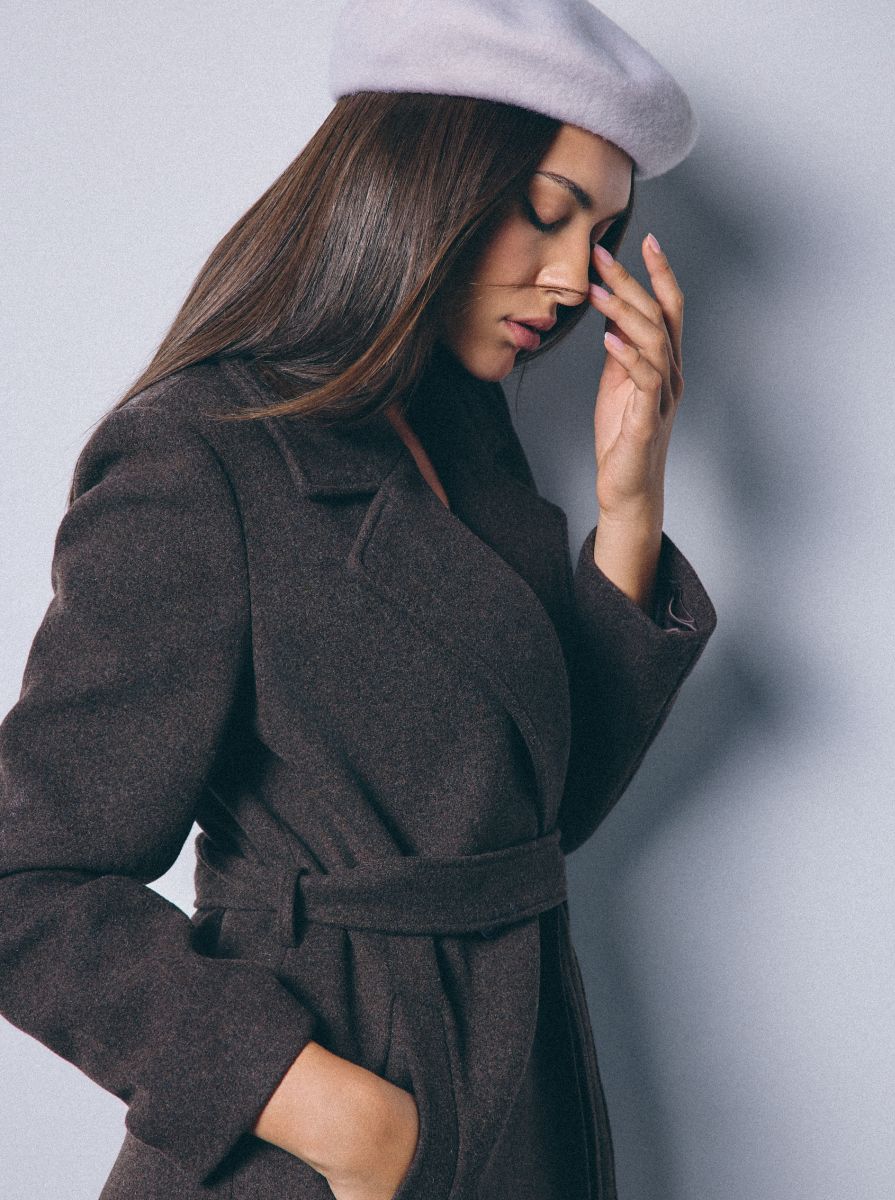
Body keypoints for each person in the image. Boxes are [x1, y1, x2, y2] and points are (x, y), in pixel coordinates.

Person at [0, 2, 718, 1198]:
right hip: (315, 1146)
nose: (570, 279)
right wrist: (343, 1118)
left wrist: (630, 504)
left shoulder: (465, 437)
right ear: (419, 178)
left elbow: (532, 817)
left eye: (600, 235)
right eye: (544, 211)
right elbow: (24, 884)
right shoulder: (197, 457)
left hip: (523, 1105)